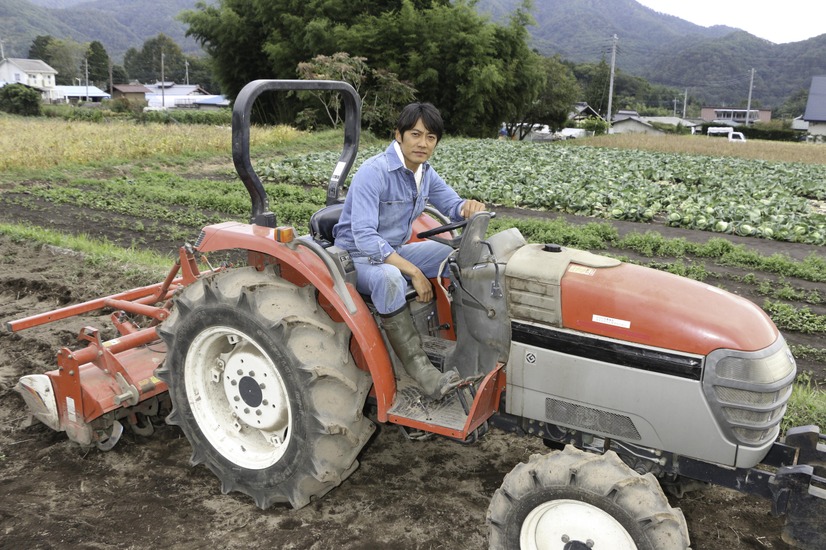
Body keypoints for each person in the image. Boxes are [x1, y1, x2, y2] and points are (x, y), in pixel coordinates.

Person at [333, 102, 485, 400]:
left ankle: (464, 341)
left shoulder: (424, 173)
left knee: (452, 255)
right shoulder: (373, 172)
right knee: (390, 277)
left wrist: (468, 207)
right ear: (398, 135)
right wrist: (413, 271)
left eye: (431, 137)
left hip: (394, 249)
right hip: (356, 258)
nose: (423, 143)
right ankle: (421, 370)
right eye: (415, 134)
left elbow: (452, 206)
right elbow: (364, 236)